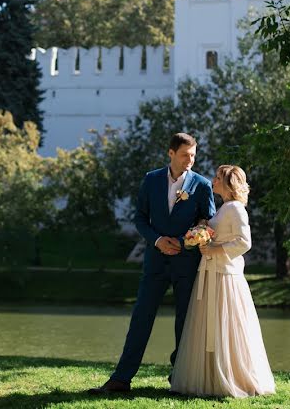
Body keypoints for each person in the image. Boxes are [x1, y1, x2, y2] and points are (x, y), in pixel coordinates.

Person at [89, 133, 215, 394]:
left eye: (193, 155)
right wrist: (157, 240)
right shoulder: (151, 179)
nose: (190, 160)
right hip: (155, 262)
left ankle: (179, 378)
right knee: (141, 318)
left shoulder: (202, 185)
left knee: (185, 322)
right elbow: (139, 219)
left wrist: (184, 240)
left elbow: (207, 221)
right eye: (184, 155)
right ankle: (122, 378)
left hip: (187, 264)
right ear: (170, 153)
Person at [169, 165, 276, 398]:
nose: (213, 180)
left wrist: (216, 250)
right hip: (211, 273)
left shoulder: (236, 208)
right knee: (210, 326)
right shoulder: (224, 207)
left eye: (218, 178)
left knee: (225, 326)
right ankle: (208, 378)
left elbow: (244, 242)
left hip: (225, 275)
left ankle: (231, 376)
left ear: (228, 183)